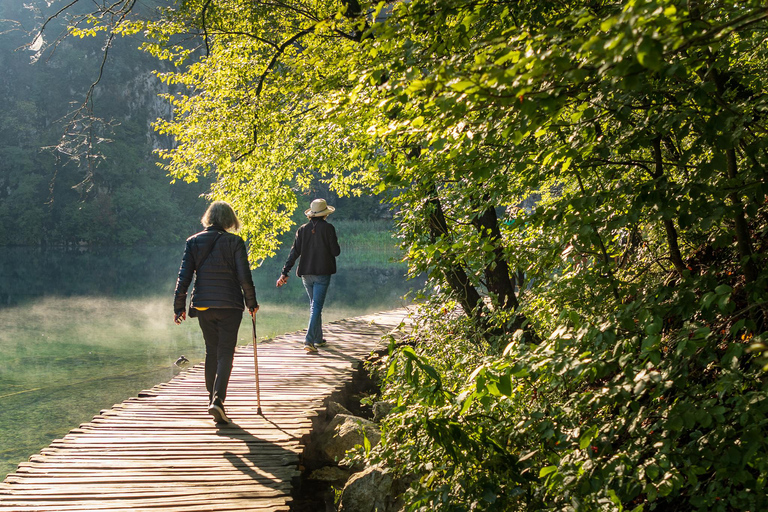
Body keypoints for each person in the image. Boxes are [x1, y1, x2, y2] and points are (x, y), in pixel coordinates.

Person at [173, 201, 259, 424]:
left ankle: (212, 399)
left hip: (203, 305)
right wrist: (252, 302)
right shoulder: (235, 242)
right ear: (229, 220)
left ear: (209, 217)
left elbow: (184, 277)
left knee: (211, 351)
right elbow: (244, 277)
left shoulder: (193, 241)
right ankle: (218, 401)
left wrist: (179, 307)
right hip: (230, 305)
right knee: (225, 353)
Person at [277, 198, 341, 353]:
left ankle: (318, 338)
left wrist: (285, 272)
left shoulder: (302, 229)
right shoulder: (328, 228)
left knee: (314, 305)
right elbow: (336, 252)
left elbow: (294, 253)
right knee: (316, 306)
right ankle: (309, 340)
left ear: (311, 214)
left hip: (306, 274)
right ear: (325, 214)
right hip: (322, 273)